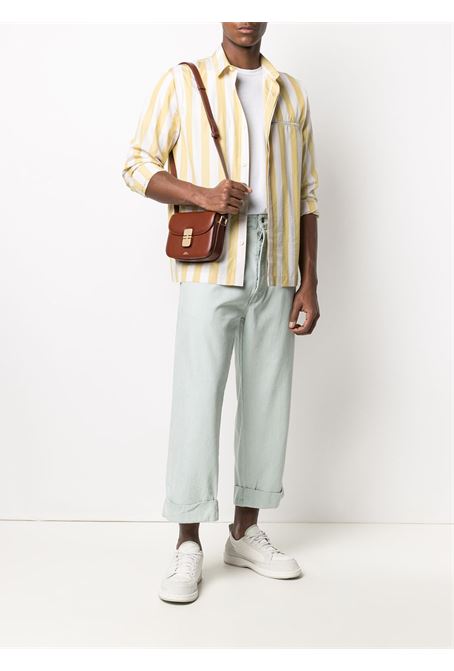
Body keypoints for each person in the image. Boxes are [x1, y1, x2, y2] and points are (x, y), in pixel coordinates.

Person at [122, 22, 320, 603]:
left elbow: (307, 194)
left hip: (277, 262)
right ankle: (188, 541)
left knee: (267, 399)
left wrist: (309, 281)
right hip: (212, 261)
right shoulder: (184, 81)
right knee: (197, 398)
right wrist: (201, 194)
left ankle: (244, 531)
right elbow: (136, 164)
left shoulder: (291, 90)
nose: (245, 17)